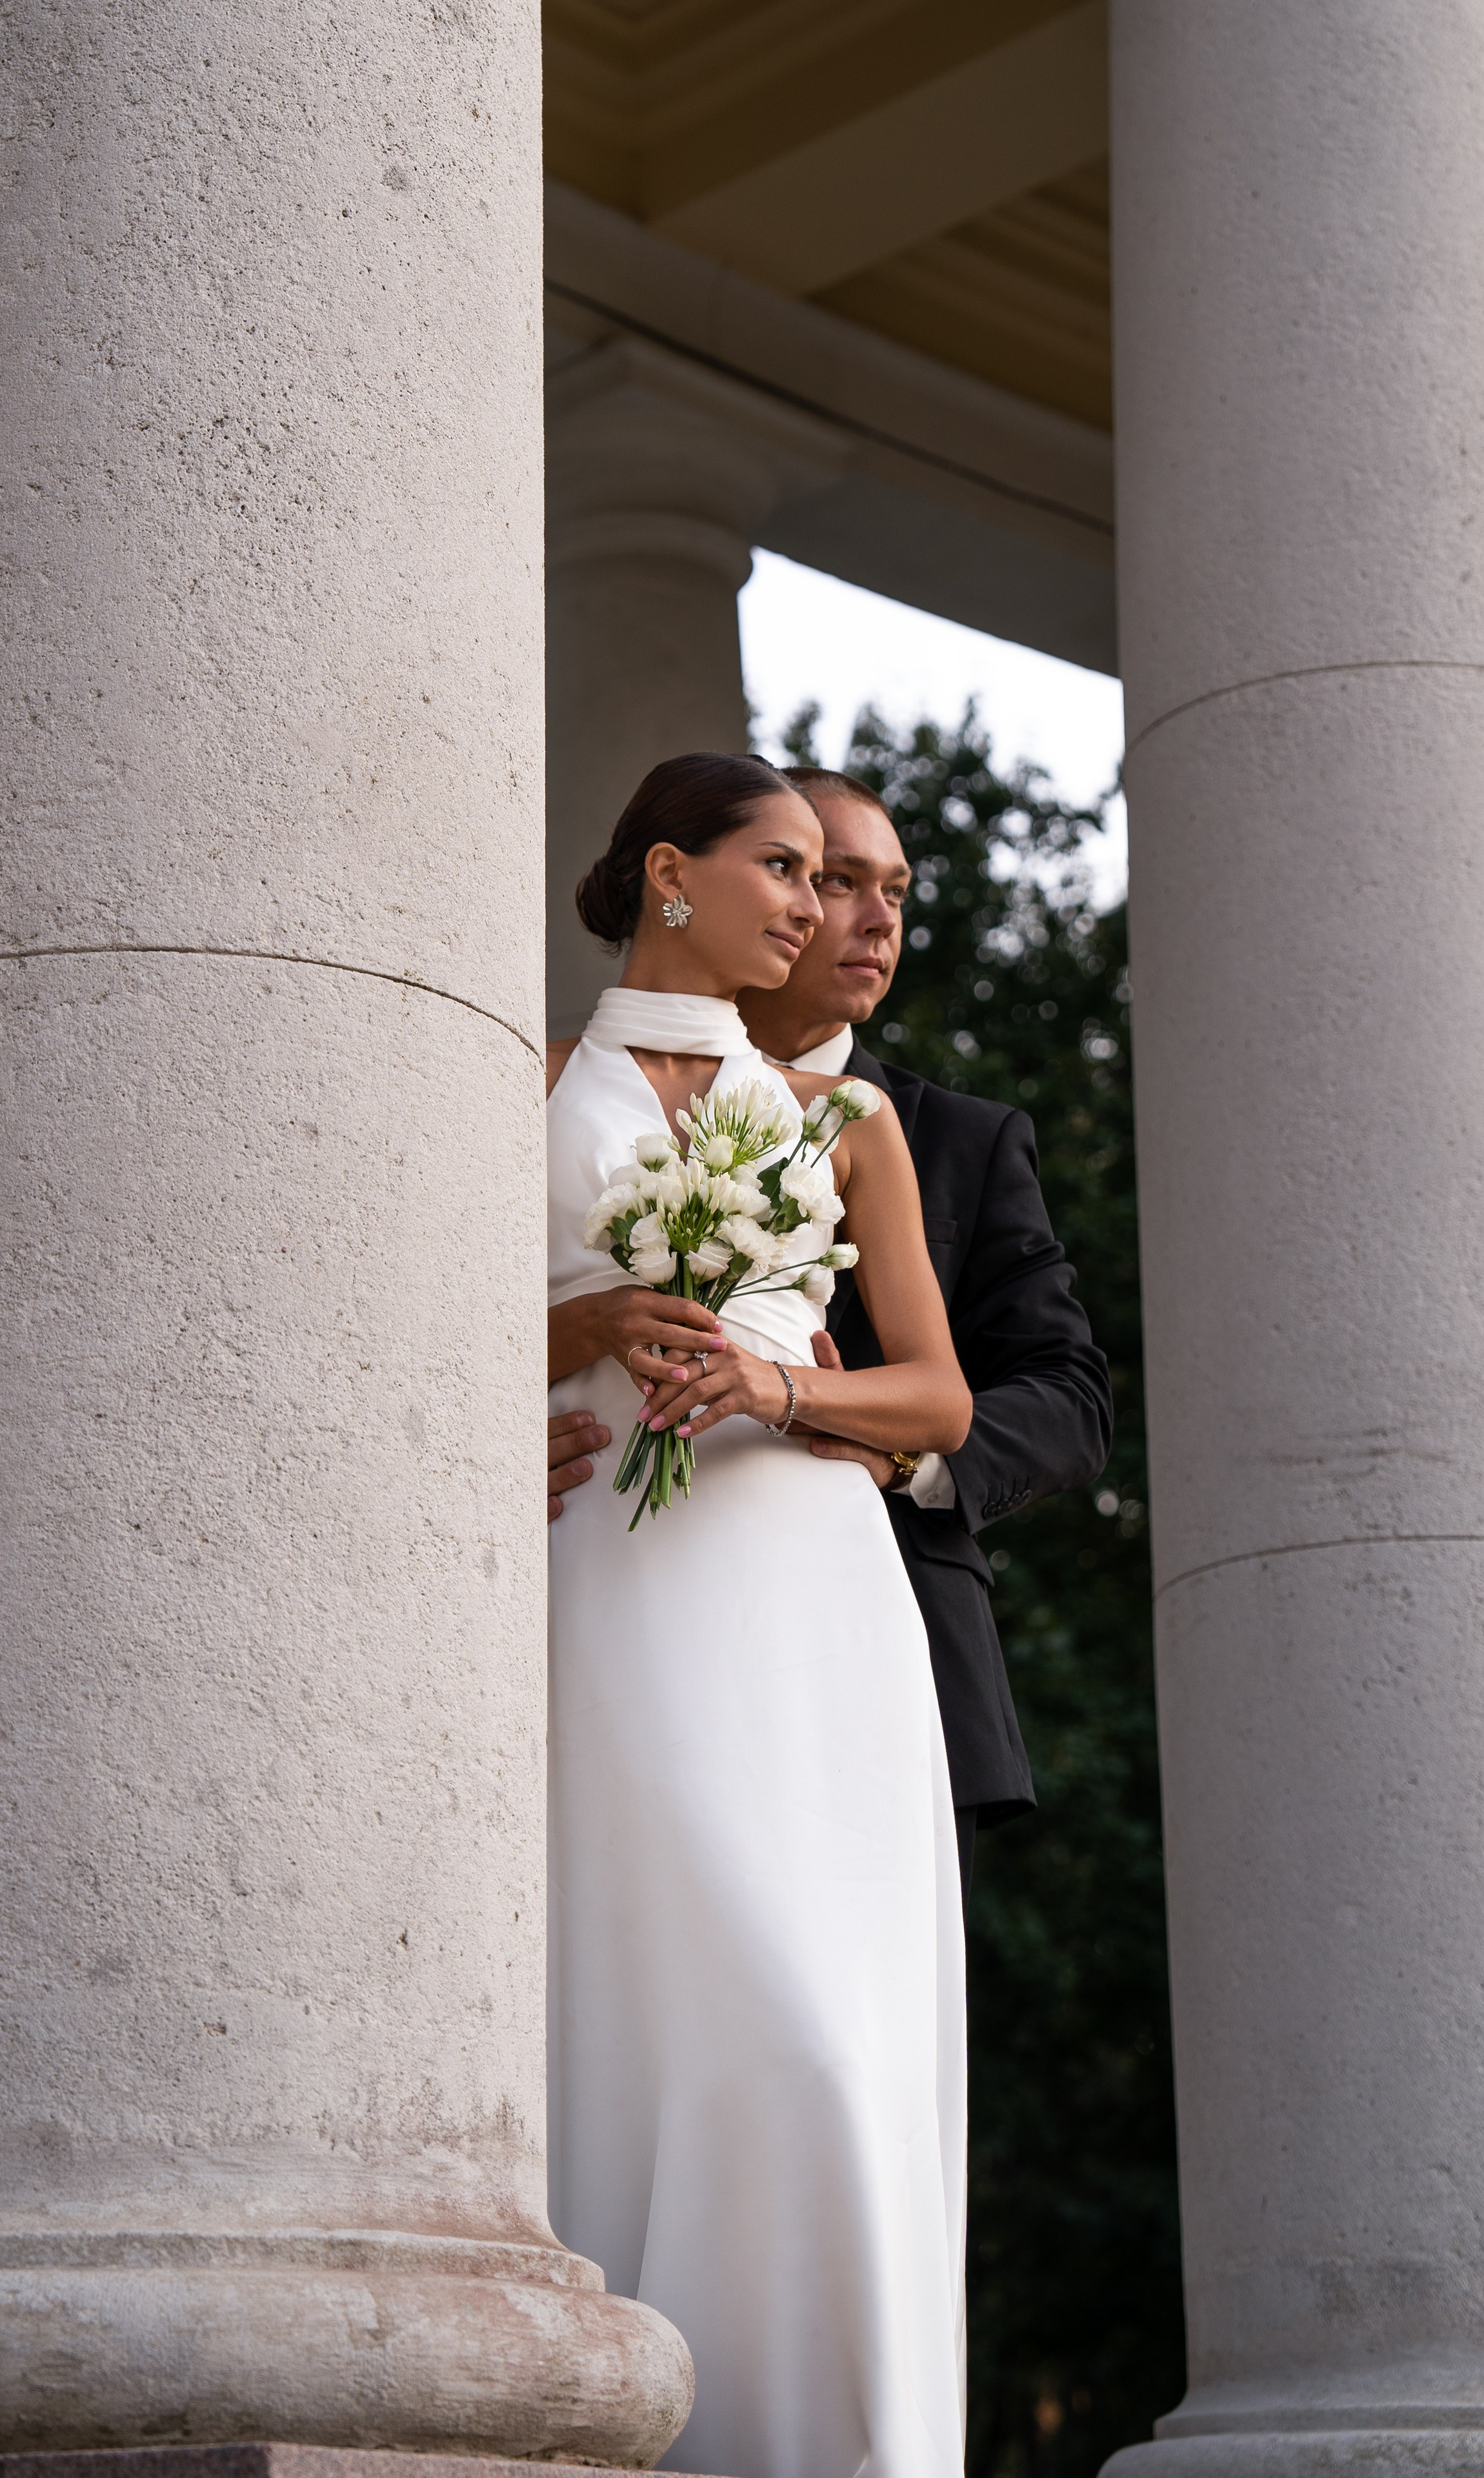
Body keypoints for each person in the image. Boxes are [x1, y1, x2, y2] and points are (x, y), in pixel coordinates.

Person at [547, 750, 970, 2478]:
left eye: (827, 877)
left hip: (810, 1593)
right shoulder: (513, 1089)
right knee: (657, 2005)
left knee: (822, 2035)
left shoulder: (845, 1125)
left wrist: (776, 1389)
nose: (817, 907)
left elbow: (940, 1399)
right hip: (616, 1587)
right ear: (673, 874)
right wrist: (590, 1330)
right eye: (785, 869)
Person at [736, 765, 1114, 1909]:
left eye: (894, 888)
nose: (877, 916)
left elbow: (1071, 1398)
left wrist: (909, 1449)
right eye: (836, 878)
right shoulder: (593, 1105)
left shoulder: (964, 1140)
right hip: (636, 1595)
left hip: (892, 1632)